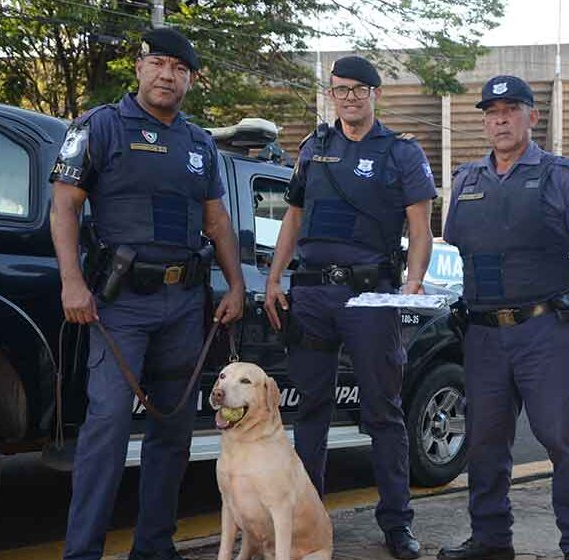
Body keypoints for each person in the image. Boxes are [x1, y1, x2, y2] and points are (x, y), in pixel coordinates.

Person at [49, 28, 245, 560]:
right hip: (120, 305)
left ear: (191, 79)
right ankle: (82, 552)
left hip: (184, 304)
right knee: (107, 426)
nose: (167, 75)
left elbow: (216, 219)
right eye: (158, 63)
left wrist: (236, 284)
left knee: (172, 429)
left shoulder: (200, 144)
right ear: (139, 69)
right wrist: (72, 281)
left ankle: (155, 547)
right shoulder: (100, 127)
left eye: (179, 69)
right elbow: (64, 206)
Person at [262, 55, 437, 560]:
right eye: (341, 90)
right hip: (313, 295)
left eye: (360, 89)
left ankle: (397, 525)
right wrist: (275, 278)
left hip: (370, 297)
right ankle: (307, 521)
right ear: (331, 94)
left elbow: (420, 228)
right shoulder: (313, 149)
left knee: (382, 411)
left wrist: (415, 282)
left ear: (374, 94)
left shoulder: (400, 152)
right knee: (310, 410)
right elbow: (292, 219)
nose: (350, 98)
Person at [436, 75, 569, 560]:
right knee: (484, 444)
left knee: (564, 438)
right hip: (482, 336)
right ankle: (492, 541)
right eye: (491, 111)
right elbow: (460, 246)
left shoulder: (564, 175)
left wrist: (558, 295)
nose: (500, 119)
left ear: (532, 116)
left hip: (545, 333)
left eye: (511, 109)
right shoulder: (465, 181)